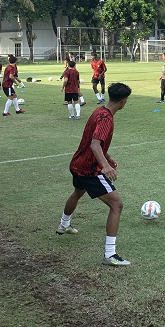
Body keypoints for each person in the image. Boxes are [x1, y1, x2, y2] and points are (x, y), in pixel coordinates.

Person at [56, 82, 133, 266]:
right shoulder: (106, 119)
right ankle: (110, 254)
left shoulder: (99, 111)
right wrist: (105, 166)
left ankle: (64, 224)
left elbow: (95, 141)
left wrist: (108, 156)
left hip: (77, 163)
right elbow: (95, 144)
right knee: (117, 204)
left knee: (77, 192)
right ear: (123, 101)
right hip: (89, 169)